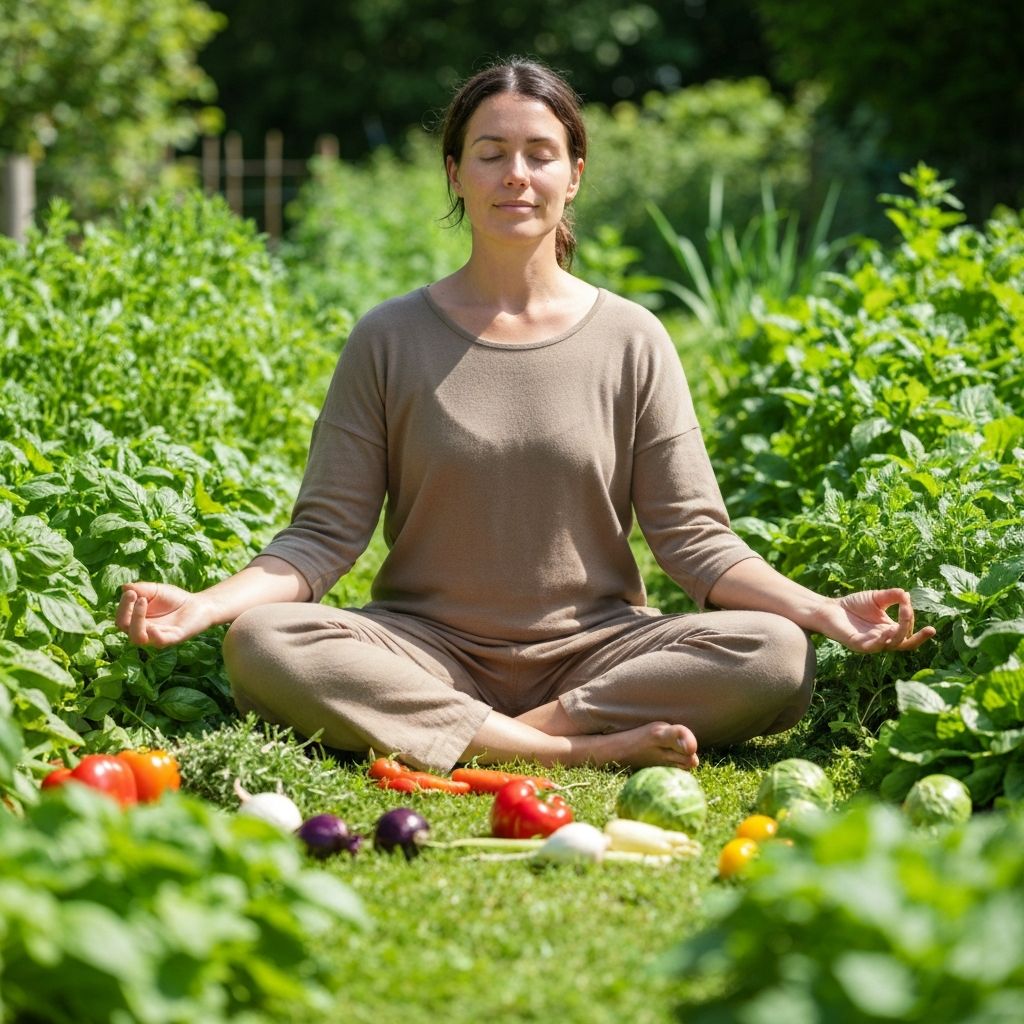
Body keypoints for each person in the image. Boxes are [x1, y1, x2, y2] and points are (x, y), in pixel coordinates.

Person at [115, 58, 933, 773]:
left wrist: (820, 611)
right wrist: (209, 603)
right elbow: (323, 537)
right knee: (262, 644)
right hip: (425, 650)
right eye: (491, 153)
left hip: (597, 654)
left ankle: (490, 739)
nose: (517, 175)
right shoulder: (389, 337)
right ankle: (566, 751)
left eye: (540, 155)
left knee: (776, 653)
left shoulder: (632, 338)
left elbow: (696, 540)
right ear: (455, 173)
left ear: (574, 173)